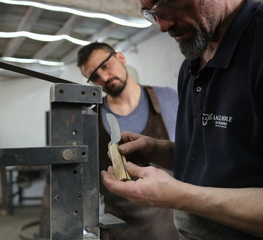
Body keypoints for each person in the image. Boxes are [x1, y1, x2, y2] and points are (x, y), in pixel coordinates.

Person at [101, 0, 263, 239]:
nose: (162, 26)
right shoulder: (192, 62)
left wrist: (179, 196)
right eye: (153, 13)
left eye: (169, 3)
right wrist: (159, 151)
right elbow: (227, 161)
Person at [77, 42, 179, 240]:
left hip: (169, 221)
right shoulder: (88, 117)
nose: (104, 78)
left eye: (105, 66)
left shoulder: (168, 99)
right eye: (94, 77)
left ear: (120, 57)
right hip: (118, 225)